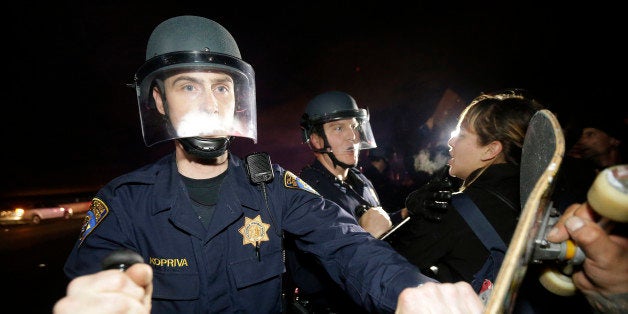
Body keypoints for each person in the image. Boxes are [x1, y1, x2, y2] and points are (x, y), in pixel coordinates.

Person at [59, 15, 440, 313]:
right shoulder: (126, 202)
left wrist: (414, 291)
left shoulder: (273, 186)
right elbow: (93, 279)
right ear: (159, 101)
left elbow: (348, 246)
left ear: (236, 99)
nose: (209, 103)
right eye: (188, 86)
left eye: (221, 87)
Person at [389, 89, 544, 289]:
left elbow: (388, 274)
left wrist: (412, 219)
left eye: (461, 134)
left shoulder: (455, 210)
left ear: (491, 150)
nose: (451, 142)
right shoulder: (536, 203)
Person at [283, 91, 402, 313]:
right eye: (339, 128)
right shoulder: (306, 193)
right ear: (317, 140)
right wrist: (366, 237)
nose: (353, 137)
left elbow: (381, 227)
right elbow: (308, 277)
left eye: (355, 126)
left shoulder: (360, 180)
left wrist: (407, 212)